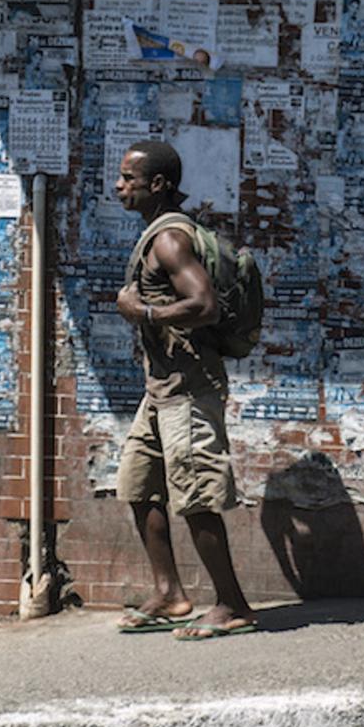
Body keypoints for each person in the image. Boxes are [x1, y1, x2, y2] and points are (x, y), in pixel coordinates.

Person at [110, 140, 257, 640]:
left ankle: (233, 604)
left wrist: (143, 312)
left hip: (190, 388)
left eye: (129, 179)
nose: (119, 186)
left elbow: (205, 305)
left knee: (195, 496)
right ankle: (171, 595)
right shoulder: (157, 234)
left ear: (158, 185)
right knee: (138, 485)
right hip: (162, 389)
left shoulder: (170, 241)